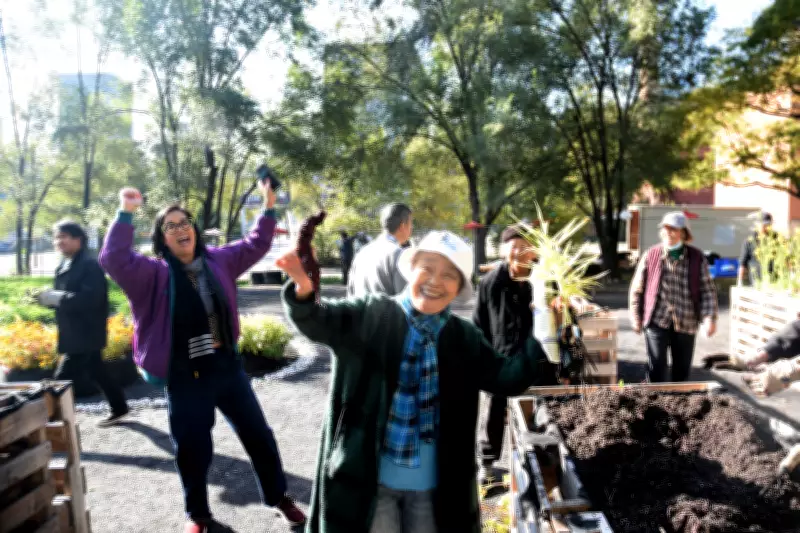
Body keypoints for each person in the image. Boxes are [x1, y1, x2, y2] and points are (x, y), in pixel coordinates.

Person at [277, 230, 549, 533]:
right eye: (427, 268)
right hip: (369, 482)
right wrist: (303, 286)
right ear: (411, 269)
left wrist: (543, 331)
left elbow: (507, 378)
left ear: (458, 287)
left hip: (432, 488)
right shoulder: (372, 313)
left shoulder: (463, 337)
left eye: (449, 275)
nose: (435, 281)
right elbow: (317, 319)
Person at [99, 182, 305, 533]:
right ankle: (198, 515)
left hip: (227, 368)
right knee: (193, 447)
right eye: (171, 226)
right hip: (184, 376)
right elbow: (113, 259)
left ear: (194, 230)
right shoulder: (150, 274)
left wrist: (269, 209)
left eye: (185, 222)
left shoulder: (219, 261)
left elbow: (255, 244)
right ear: (163, 239)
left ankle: (279, 497)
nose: (181, 229)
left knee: (259, 435)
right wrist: (126, 212)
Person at [35, 220, 129, 427]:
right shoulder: (65, 264)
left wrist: (57, 298)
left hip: (85, 331)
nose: (58, 242)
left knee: (60, 379)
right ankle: (119, 407)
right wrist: (47, 299)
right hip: (74, 330)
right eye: (56, 237)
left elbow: (91, 299)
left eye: (63, 237)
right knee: (97, 370)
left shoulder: (89, 265)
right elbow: (66, 299)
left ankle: (45, 421)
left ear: (78, 239)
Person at [473, 224, 540, 485]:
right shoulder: (490, 282)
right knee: (493, 410)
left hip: (534, 358)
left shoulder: (542, 281)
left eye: (526, 247)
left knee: (536, 412)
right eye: (514, 246)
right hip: (498, 357)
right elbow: (479, 323)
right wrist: (482, 358)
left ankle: (534, 462)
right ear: (503, 250)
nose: (520, 252)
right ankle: (487, 465)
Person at [629, 211, 718, 383]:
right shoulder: (651, 255)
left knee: (681, 372)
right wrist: (635, 317)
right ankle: (656, 406)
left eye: (673, 230)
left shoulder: (696, 257)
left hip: (686, 322)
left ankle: (679, 406)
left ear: (683, 233)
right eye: (665, 229)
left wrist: (709, 318)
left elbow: (707, 290)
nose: (668, 233)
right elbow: (636, 290)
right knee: (656, 369)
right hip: (657, 320)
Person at [347, 203, 413, 298]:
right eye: (411, 223)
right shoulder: (399, 255)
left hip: (359, 312)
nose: (411, 228)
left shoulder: (362, 253)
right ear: (403, 226)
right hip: (387, 313)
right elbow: (404, 300)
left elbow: (350, 294)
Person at [738, 212, 779, 286]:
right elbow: (743, 263)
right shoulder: (750, 241)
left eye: (769, 225)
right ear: (757, 225)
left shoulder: (776, 238)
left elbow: (786, 259)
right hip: (757, 282)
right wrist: (740, 281)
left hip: (775, 282)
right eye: (764, 225)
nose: (767, 227)